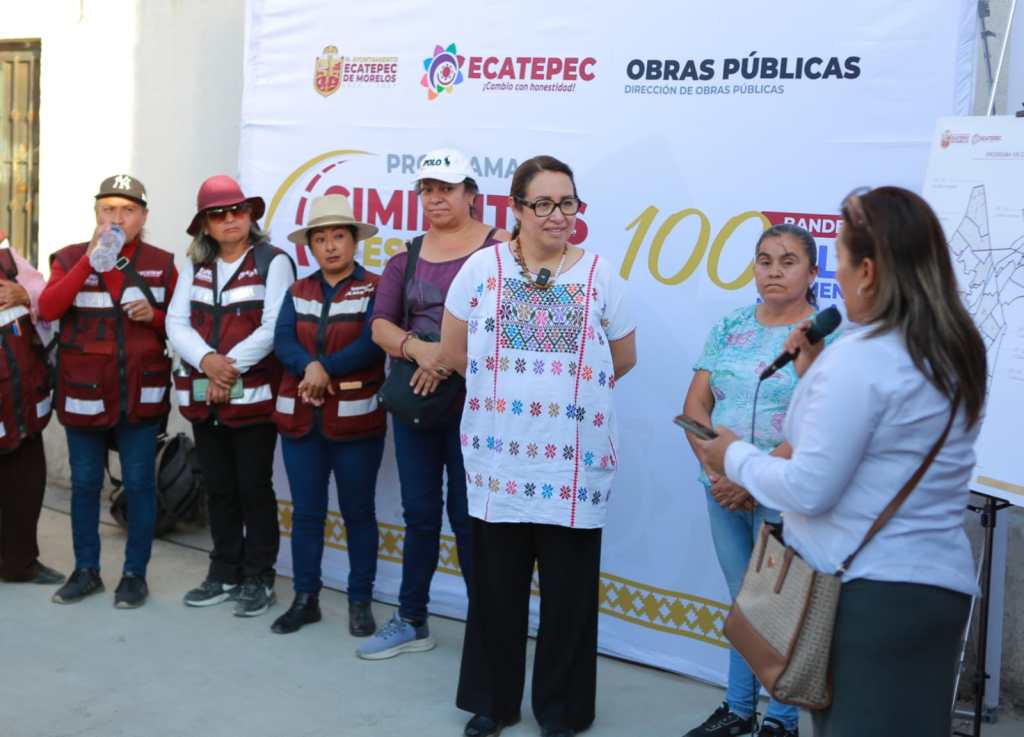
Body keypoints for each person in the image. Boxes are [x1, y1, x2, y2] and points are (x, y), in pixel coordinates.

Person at [697, 186, 986, 737]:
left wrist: (732, 455)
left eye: (842, 263)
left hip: (872, 595)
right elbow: (883, 451)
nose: (839, 278)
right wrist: (812, 374)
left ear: (868, 272)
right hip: (934, 588)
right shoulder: (948, 347)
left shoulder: (861, 358)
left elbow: (808, 488)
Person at [440, 155, 637, 737]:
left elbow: (622, 359)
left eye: (567, 202)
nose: (558, 215)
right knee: (495, 590)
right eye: (544, 203)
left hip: (573, 467)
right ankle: (492, 702)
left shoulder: (601, 276)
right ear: (517, 209)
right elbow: (453, 351)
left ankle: (563, 711)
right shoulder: (482, 269)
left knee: (569, 599)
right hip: (499, 463)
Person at [361, 148, 508, 659]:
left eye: (446, 188)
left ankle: (487, 631)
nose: (436, 198)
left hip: (479, 407)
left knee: (472, 519)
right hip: (417, 406)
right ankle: (412, 618)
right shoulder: (407, 256)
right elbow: (380, 325)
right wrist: (418, 350)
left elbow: (508, 322)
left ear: (471, 194)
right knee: (419, 513)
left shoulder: (501, 250)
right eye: (427, 189)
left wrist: (444, 358)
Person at [680, 224, 823, 737]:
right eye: (765, 260)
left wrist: (750, 477)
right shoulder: (730, 326)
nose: (774, 271)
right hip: (720, 490)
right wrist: (717, 470)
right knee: (743, 601)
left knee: (777, 606)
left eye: (788, 261)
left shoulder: (824, 337)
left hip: (783, 492)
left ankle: (781, 720)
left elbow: (819, 425)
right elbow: (695, 406)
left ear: (813, 273)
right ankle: (738, 709)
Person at [40, 175, 178, 608]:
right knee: (84, 486)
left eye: (128, 210)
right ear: (96, 214)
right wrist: (90, 259)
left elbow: (182, 325)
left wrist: (154, 316)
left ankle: (135, 575)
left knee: (139, 485)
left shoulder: (161, 263)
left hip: (140, 395)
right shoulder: (68, 257)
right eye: (108, 210)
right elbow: (48, 308)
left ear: (144, 216)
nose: (117, 219)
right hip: (84, 394)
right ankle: (86, 571)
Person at [168, 175, 295, 618]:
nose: (230, 220)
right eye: (218, 214)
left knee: (253, 488)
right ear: (205, 224)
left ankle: (259, 577)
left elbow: (275, 325)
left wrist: (227, 366)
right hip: (206, 396)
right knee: (219, 488)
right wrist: (207, 361)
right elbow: (176, 322)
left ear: (251, 215)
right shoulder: (195, 265)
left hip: (253, 400)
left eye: (237, 211)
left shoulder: (273, 261)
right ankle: (223, 571)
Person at [270, 194, 386, 636]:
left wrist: (324, 368)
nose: (331, 246)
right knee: (306, 514)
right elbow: (283, 340)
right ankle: (306, 599)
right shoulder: (297, 290)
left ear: (354, 241)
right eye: (321, 239)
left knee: (358, 513)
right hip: (301, 423)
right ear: (311, 247)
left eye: (339, 236)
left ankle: (360, 602)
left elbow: (372, 343)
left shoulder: (376, 288)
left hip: (356, 423)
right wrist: (309, 367)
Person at [0, 230, 63, 586]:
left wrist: (24, 294)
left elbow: (46, 297)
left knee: (26, 483)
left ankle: (20, 563)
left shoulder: (7, 258)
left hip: (21, 398)